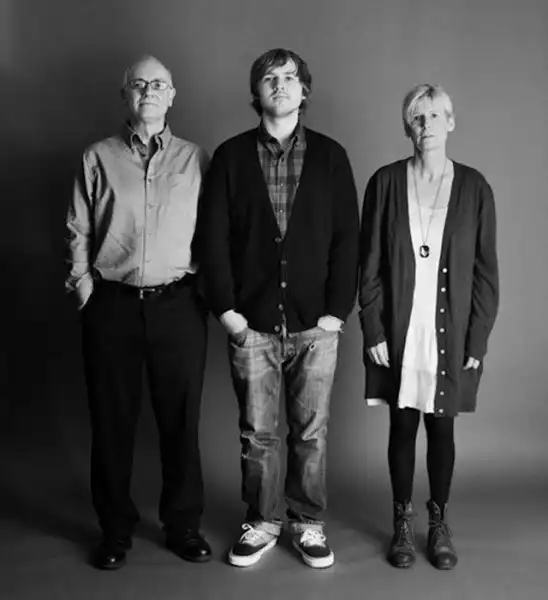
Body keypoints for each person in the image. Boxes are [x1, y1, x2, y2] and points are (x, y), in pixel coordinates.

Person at [194, 48, 359, 569]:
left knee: (311, 433)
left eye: (290, 77)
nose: (281, 85)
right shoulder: (230, 157)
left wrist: (336, 313)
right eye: (270, 78)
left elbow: (347, 239)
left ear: (304, 90)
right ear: (257, 92)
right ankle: (263, 521)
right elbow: (213, 240)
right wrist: (227, 312)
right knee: (257, 434)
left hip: (316, 325)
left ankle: (307, 522)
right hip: (252, 324)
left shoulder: (331, 156)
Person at [66, 56, 211, 569]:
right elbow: (79, 227)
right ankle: (114, 530)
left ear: (172, 95)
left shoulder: (196, 159)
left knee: (181, 422)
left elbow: (214, 230)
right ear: (125, 94)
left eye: (158, 84)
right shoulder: (98, 156)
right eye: (139, 84)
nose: (149, 91)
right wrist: (84, 288)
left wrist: (205, 292)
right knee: (112, 423)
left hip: (179, 305)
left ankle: (183, 525)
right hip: (113, 306)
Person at [359, 84, 499, 570]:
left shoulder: (475, 188)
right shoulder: (384, 183)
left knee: (442, 426)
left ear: (451, 122)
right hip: (399, 328)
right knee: (402, 425)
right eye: (418, 118)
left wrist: (477, 338)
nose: (427, 125)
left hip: (450, 332)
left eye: (436, 115)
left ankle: (438, 523)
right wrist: (373, 328)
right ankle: (402, 521)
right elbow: (369, 264)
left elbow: (485, 272)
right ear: (408, 127)